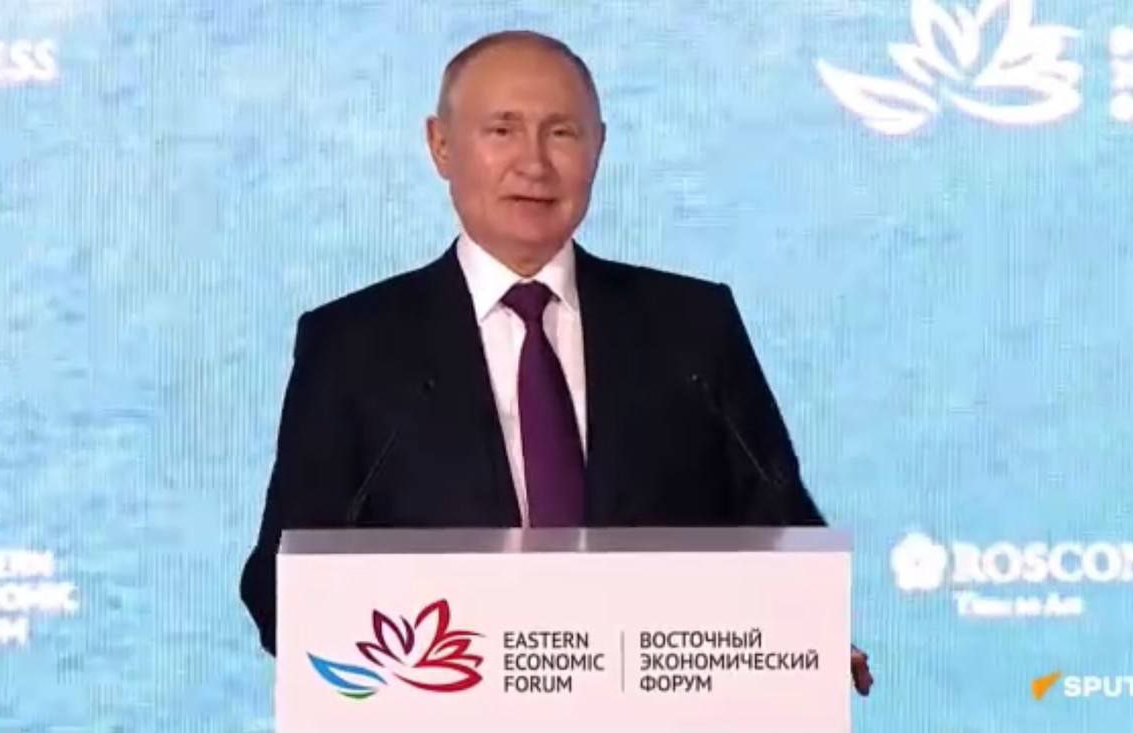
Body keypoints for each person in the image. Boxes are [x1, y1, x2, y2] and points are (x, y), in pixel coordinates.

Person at [240, 30, 873, 696]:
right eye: (502, 131)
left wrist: (808, 635)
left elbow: (779, 527)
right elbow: (281, 583)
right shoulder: (353, 344)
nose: (534, 164)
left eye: (562, 133)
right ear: (440, 145)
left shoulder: (692, 326)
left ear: (599, 146)